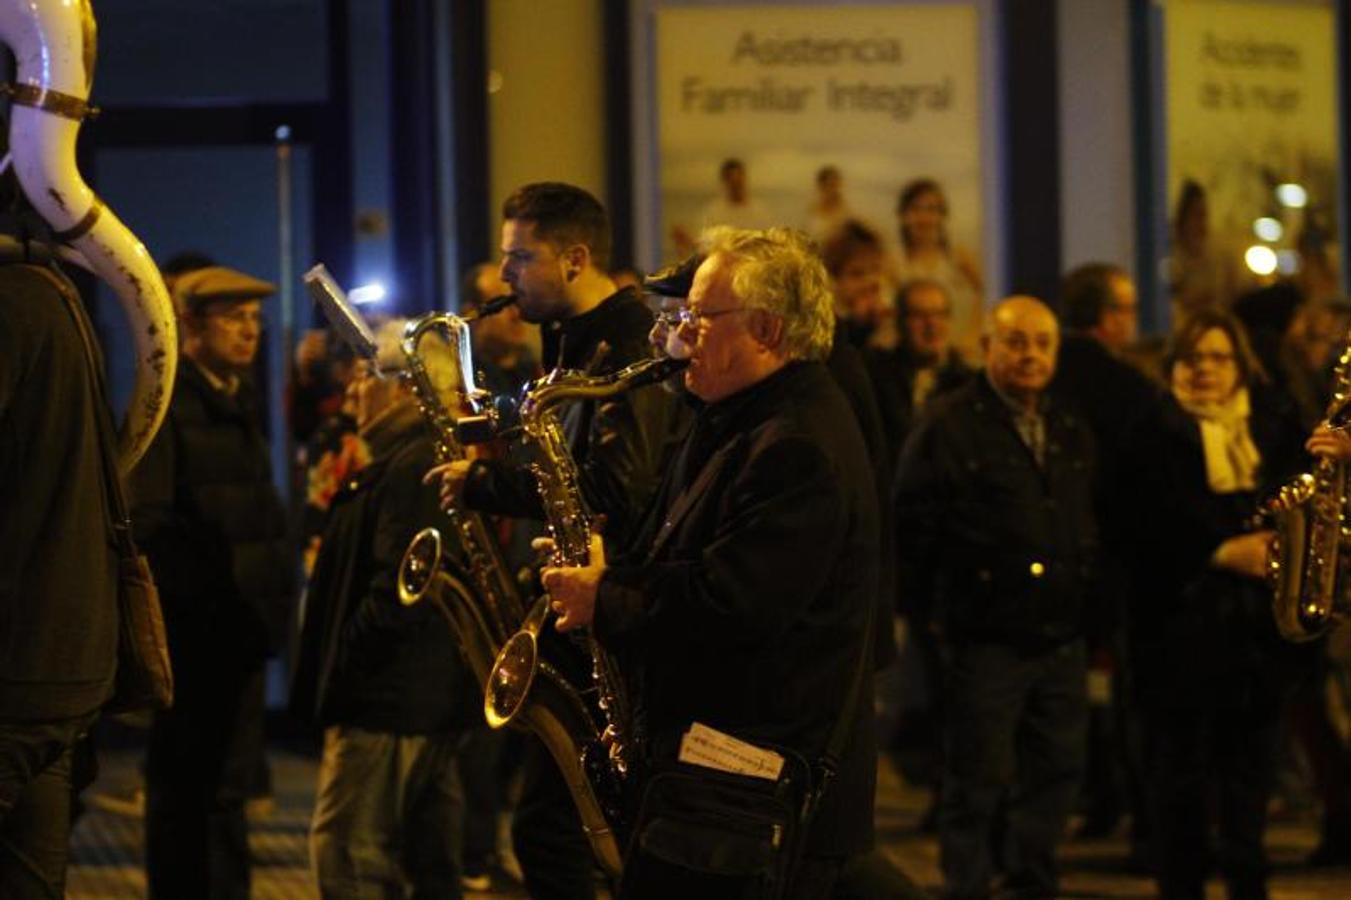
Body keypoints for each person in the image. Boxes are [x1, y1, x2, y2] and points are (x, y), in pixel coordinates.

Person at [542, 226, 879, 898]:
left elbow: (734, 603)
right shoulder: (742, 417)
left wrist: (605, 597)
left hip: (748, 785)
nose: (681, 334)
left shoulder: (797, 444)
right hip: (713, 781)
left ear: (766, 330)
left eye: (700, 316)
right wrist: (617, 562)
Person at [428, 181, 682, 899]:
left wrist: (488, 487)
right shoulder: (574, 340)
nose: (504, 275)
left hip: (616, 622)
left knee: (559, 832)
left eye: (518, 257)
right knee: (555, 827)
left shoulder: (626, 344)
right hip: (584, 605)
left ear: (573, 259)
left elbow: (616, 491)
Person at [894, 296, 1096, 900]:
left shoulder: (1068, 427)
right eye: (1016, 342)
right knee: (977, 777)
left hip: (1060, 634)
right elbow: (912, 528)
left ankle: (1033, 876)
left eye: (1042, 343)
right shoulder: (948, 424)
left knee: (1057, 769)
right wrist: (929, 619)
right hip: (982, 635)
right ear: (987, 348)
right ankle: (969, 885)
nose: (1030, 354)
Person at [1121, 310, 1310, 900]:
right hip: (1177, 638)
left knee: (1249, 791)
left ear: (1240, 367)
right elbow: (1137, 528)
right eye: (1193, 357)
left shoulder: (1273, 428)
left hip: (1256, 643)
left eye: (1218, 357)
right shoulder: (1150, 432)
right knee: (1180, 791)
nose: (1204, 368)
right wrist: (1221, 551)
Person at [290, 320, 476, 898]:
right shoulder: (409, 455)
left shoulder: (414, 464)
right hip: (411, 696)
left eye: (366, 375)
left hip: (388, 700)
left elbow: (402, 589)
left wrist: (344, 666)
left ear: (404, 389)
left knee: (350, 855)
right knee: (422, 859)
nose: (351, 389)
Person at [131, 265, 293, 899]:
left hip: (239, 630)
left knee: (224, 786)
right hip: (201, 634)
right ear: (191, 327)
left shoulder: (232, 396)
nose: (249, 333)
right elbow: (152, 523)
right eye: (233, 320)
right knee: (189, 788)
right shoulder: (171, 402)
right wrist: (198, 608)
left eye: (254, 321)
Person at [1052, 263, 1161, 850]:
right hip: (1117, 562)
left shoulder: (1049, 375)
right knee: (1126, 699)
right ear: (1108, 315)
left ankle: (1095, 801)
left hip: (1059, 559)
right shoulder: (1128, 387)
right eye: (1126, 308)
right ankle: (1140, 818)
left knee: (1072, 694)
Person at [865, 279, 974, 467]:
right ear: (899, 322)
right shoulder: (877, 376)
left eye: (940, 314)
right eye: (919, 315)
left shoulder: (969, 385)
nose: (931, 324)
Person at [893, 178, 984, 364]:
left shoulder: (958, 256)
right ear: (904, 215)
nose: (924, 217)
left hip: (956, 351)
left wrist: (972, 334)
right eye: (916, 209)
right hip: (910, 355)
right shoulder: (894, 261)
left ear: (942, 216)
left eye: (932, 209)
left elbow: (985, 291)